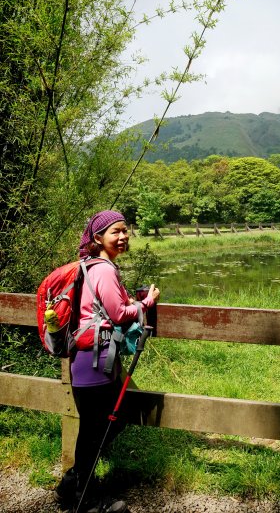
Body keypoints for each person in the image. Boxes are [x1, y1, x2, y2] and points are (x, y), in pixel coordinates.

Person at [56, 210, 160, 513]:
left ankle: (72, 485)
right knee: (95, 430)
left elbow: (104, 305)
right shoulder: (103, 269)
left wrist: (127, 300)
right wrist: (145, 303)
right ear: (98, 237)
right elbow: (118, 315)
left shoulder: (91, 266)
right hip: (94, 362)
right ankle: (85, 499)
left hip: (88, 360)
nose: (123, 236)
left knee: (101, 424)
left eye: (125, 230)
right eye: (116, 231)